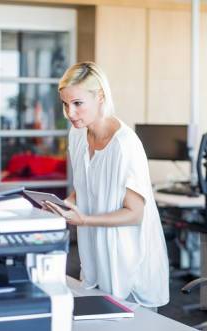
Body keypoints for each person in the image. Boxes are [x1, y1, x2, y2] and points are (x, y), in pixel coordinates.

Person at [45, 61, 169, 309]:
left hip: (129, 259)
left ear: (100, 96)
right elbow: (89, 184)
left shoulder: (124, 145)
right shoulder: (78, 134)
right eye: (65, 104)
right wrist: (65, 204)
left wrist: (84, 220)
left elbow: (134, 214)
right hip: (95, 254)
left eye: (78, 103)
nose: (70, 113)